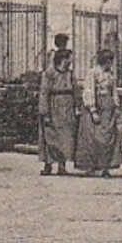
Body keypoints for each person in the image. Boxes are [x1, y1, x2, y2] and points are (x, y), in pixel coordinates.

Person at [74, 48, 122, 177]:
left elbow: (114, 91)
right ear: (104, 61)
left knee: (108, 137)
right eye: (109, 61)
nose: (110, 64)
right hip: (96, 106)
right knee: (92, 137)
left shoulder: (110, 74)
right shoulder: (93, 73)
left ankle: (105, 167)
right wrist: (93, 110)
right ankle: (91, 166)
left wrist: (116, 106)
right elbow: (89, 90)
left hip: (108, 108)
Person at [38, 48, 79, 176]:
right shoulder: (49, 74)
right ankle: (48, 165)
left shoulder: (70, 74)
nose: (71, 61)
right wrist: (44, 112)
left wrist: (77, 106)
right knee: (50, 137)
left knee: (65, 137)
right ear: (63, 59)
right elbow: (44, 93)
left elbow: (76, 91)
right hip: (54, 105)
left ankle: (62, 165)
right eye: (69, 58)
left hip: (67, 107)